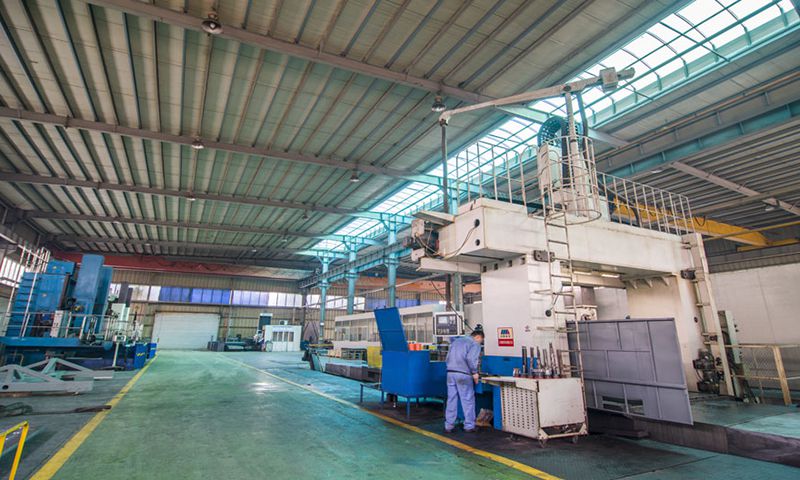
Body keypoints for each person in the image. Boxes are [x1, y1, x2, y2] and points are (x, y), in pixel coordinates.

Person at [444, 329, 484, 433]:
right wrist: (474, 373)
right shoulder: (475, 343)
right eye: (481, 341)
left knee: (451, 400)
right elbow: (470, 359)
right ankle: (469, 426)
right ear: (478, 337)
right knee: (467, 400)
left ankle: (448, 426)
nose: (480, 343)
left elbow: (447, 358)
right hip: (463, 374)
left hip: (450, 373)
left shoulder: (456, 341)